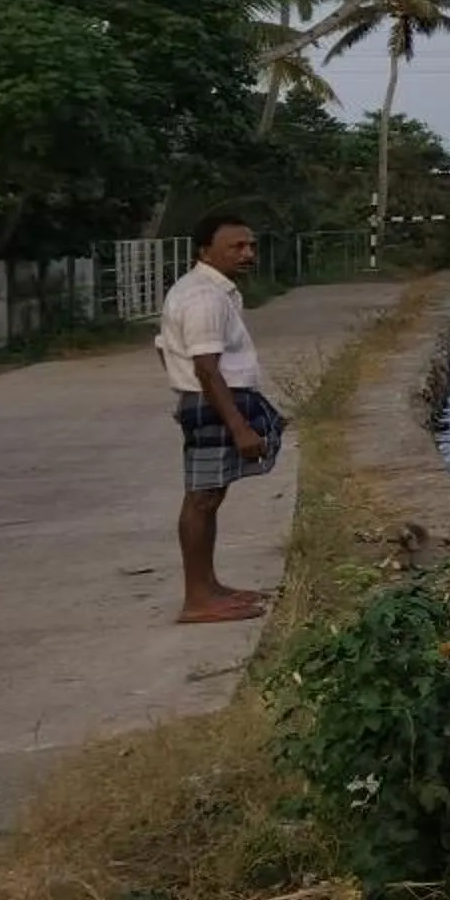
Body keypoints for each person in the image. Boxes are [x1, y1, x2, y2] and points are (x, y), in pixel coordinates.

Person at [156, 211, 286, 625]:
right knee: (202, 497)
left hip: (207, 400)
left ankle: (209, 586)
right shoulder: (205, 298)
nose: (247, 254)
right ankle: (197, 600)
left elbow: (162, 347)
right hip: (213, 401)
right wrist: (237, 426)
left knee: (210, 496)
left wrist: (184, 392)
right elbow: (207, 368)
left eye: (251, 246)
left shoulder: (211, 291)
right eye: (236, 247)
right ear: (205, 251)